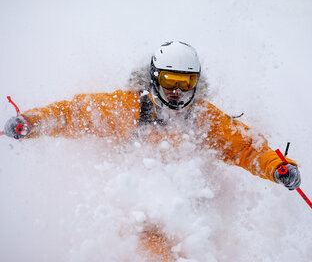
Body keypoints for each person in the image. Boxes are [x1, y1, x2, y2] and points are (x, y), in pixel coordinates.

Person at [3, 41, 301, 261]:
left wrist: (278, 168)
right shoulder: (128, 107)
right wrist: (32, 122)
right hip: (136, 214)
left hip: (188, 214)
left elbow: (246, 148)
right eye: (170, 80)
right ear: (155, 77)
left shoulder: (205, 117)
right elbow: (72, 114)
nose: (177, 91)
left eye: (186, 82)